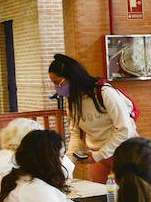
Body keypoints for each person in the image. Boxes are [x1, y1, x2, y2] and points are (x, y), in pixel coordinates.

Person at [48, 53, 137, 183]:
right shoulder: (72, 101)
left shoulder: (104, 92)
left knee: (128, 196)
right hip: (98, 156)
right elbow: (76, 135)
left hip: (125, 151)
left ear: (72, 77)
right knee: (99, 197)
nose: (57, 88)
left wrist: (98, 155)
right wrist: (66, 164)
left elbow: (124, 130)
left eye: (58, 83)